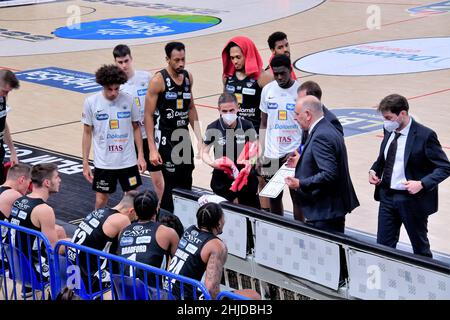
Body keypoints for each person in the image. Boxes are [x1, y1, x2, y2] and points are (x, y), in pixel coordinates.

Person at [369, 94, 450, 257]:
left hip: (411, 200)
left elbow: (445, 167)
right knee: (383, 247)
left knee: (420, 248)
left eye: (389, 118)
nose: (386, 122)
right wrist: (374, 170)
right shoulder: (388, 129)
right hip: (387, 196)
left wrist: (422, 183)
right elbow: (384, 157)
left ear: (403, 114)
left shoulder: (425, 135)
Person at [285, 96, 359, 231]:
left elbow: (329, 173)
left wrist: (300, 183)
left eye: (297, 114)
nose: (294, 118)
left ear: (307, 115)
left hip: (325, 212)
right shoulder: (326, 127)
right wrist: (301, 161)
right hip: (329, 209)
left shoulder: (321, 136)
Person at [144, 41, 202, 213]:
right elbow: (147, 115)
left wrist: (199, 138)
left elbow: (191, 108)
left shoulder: (188, 78)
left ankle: (185, 218)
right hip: (166, 140)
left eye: (183, 59)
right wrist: (152, 149)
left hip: (183, 138)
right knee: (171, 185)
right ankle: (165, 221)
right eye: (176, 60)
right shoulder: (158, 80)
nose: (181, 64)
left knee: (186, 180)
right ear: (167, 59)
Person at [82, 64, 146, 209]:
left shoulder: (129, 100)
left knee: (132, 199)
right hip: (104, 162)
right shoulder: (91, 102)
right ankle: (98, 227)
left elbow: (136, 128)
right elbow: (87, 133)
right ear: (103, 85)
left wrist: (140, 155)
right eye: (109, 89)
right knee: (101, 200)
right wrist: (85, 162)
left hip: (127, 160)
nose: (113, 93)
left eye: (117, 89)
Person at [167, 202, 260, 300]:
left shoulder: (189, 230)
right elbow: (211, 289)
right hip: (183, 297)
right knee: (253, 296)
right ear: (219, 223)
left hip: (167, 291)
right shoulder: (216, 246)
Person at [113, 44, 165, 206]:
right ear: (115, 63)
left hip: (149, 137)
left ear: (131, 59)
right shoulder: (115, 86)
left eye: (126, 61)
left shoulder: (146, 78)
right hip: (129, 141)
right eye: (120, 62)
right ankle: (134, 214)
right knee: (131, 186)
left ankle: (158, 210)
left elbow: (158, 102)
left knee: (158, 181)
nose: (124, 65)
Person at [7, 163, 67, 280]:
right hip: (36, 271)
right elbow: (54, 248)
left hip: (16, 266)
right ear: (47, 183)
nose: (59, 180)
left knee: (59, 230)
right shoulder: (44, 210)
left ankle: (29, 290)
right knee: (73, 247)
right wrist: (74, 243)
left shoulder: (19, 200)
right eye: (57, 177)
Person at [68, 191, 138, 290]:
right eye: (135, 217)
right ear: (132, 211)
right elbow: (127, 251)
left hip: (73, 271)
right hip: (89, 278)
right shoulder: (123, 220)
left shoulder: (99, 211)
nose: (134, 220)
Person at [258, 54, 301, 215]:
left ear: (290, 70)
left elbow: (306, 128)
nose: (279, 77)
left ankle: (299, 233)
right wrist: (262, 153)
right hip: (271, 153)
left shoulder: (300, 91)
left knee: (297, 197)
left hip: (293, 154)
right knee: (274, 197)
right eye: (276, 74)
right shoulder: (267, 90)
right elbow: (263, 123)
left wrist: (299, 151)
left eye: (282, 73)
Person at [202, 92, 259, 208]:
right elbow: (204, 152)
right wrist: (213, 164)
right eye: (224, 111)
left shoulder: (247, 125)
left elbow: (257, 147)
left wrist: (251, 162)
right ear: (219, 110)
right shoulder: (213, 127)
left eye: (231, 110)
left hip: (245, 178)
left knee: (250, 214)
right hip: (222, 180)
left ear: (238, 108)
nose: (228, 114)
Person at [118, 189, 179, 283]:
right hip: (151, 293)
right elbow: (179, 265)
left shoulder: (123, 231)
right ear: (157, 209)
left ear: (135, 211)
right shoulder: (167, 233)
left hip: (124, 290)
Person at [222, 36, 272, 133]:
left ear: (248, 55)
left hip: (254, 135)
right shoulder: (227, 77)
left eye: (238, 57)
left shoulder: (263, 77)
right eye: (232, 58)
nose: (235, 61)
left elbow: (271, 112)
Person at [0, 70, 20, 184]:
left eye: (8, 92)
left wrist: (12, 151)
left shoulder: (2, 98)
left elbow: (3, 124)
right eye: (4, 91)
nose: (6, 95)